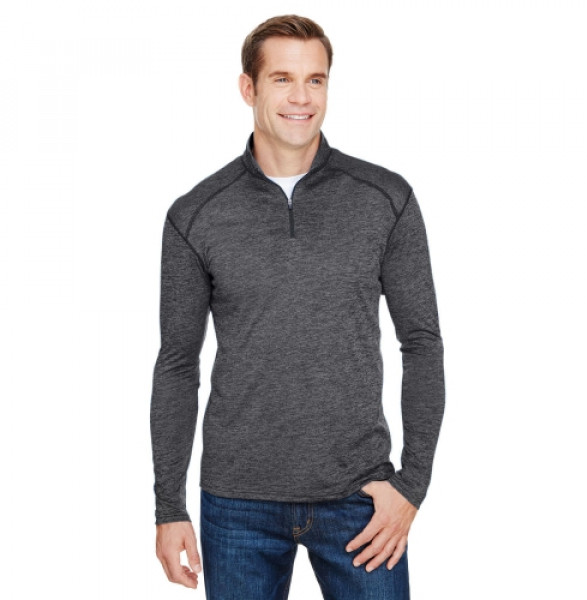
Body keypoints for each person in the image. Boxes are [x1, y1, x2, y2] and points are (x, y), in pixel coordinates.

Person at [150, 14, 445, 599]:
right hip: (237, 503)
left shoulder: (385, 199)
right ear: (249, 88)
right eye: (282, 78)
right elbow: (178, 365)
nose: (301, 97)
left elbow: (422, 343)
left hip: (362, 499)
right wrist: (168, 506)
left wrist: (412, 486)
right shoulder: (196, 214)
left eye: (316, 80)